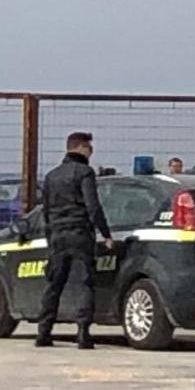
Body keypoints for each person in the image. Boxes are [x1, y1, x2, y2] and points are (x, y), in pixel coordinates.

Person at [32, 132, 112, 349]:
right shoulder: (85, 173)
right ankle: (83, 332)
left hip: (57, 235)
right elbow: (93, 207)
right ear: (81, 147)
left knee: (54, 284)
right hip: (79, 234)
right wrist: (106, 234)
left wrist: (50, 238)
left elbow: (46, 210)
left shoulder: (52, 176)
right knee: (84, 283)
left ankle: (44, 332)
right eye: (89, 147)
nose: (92, 152)